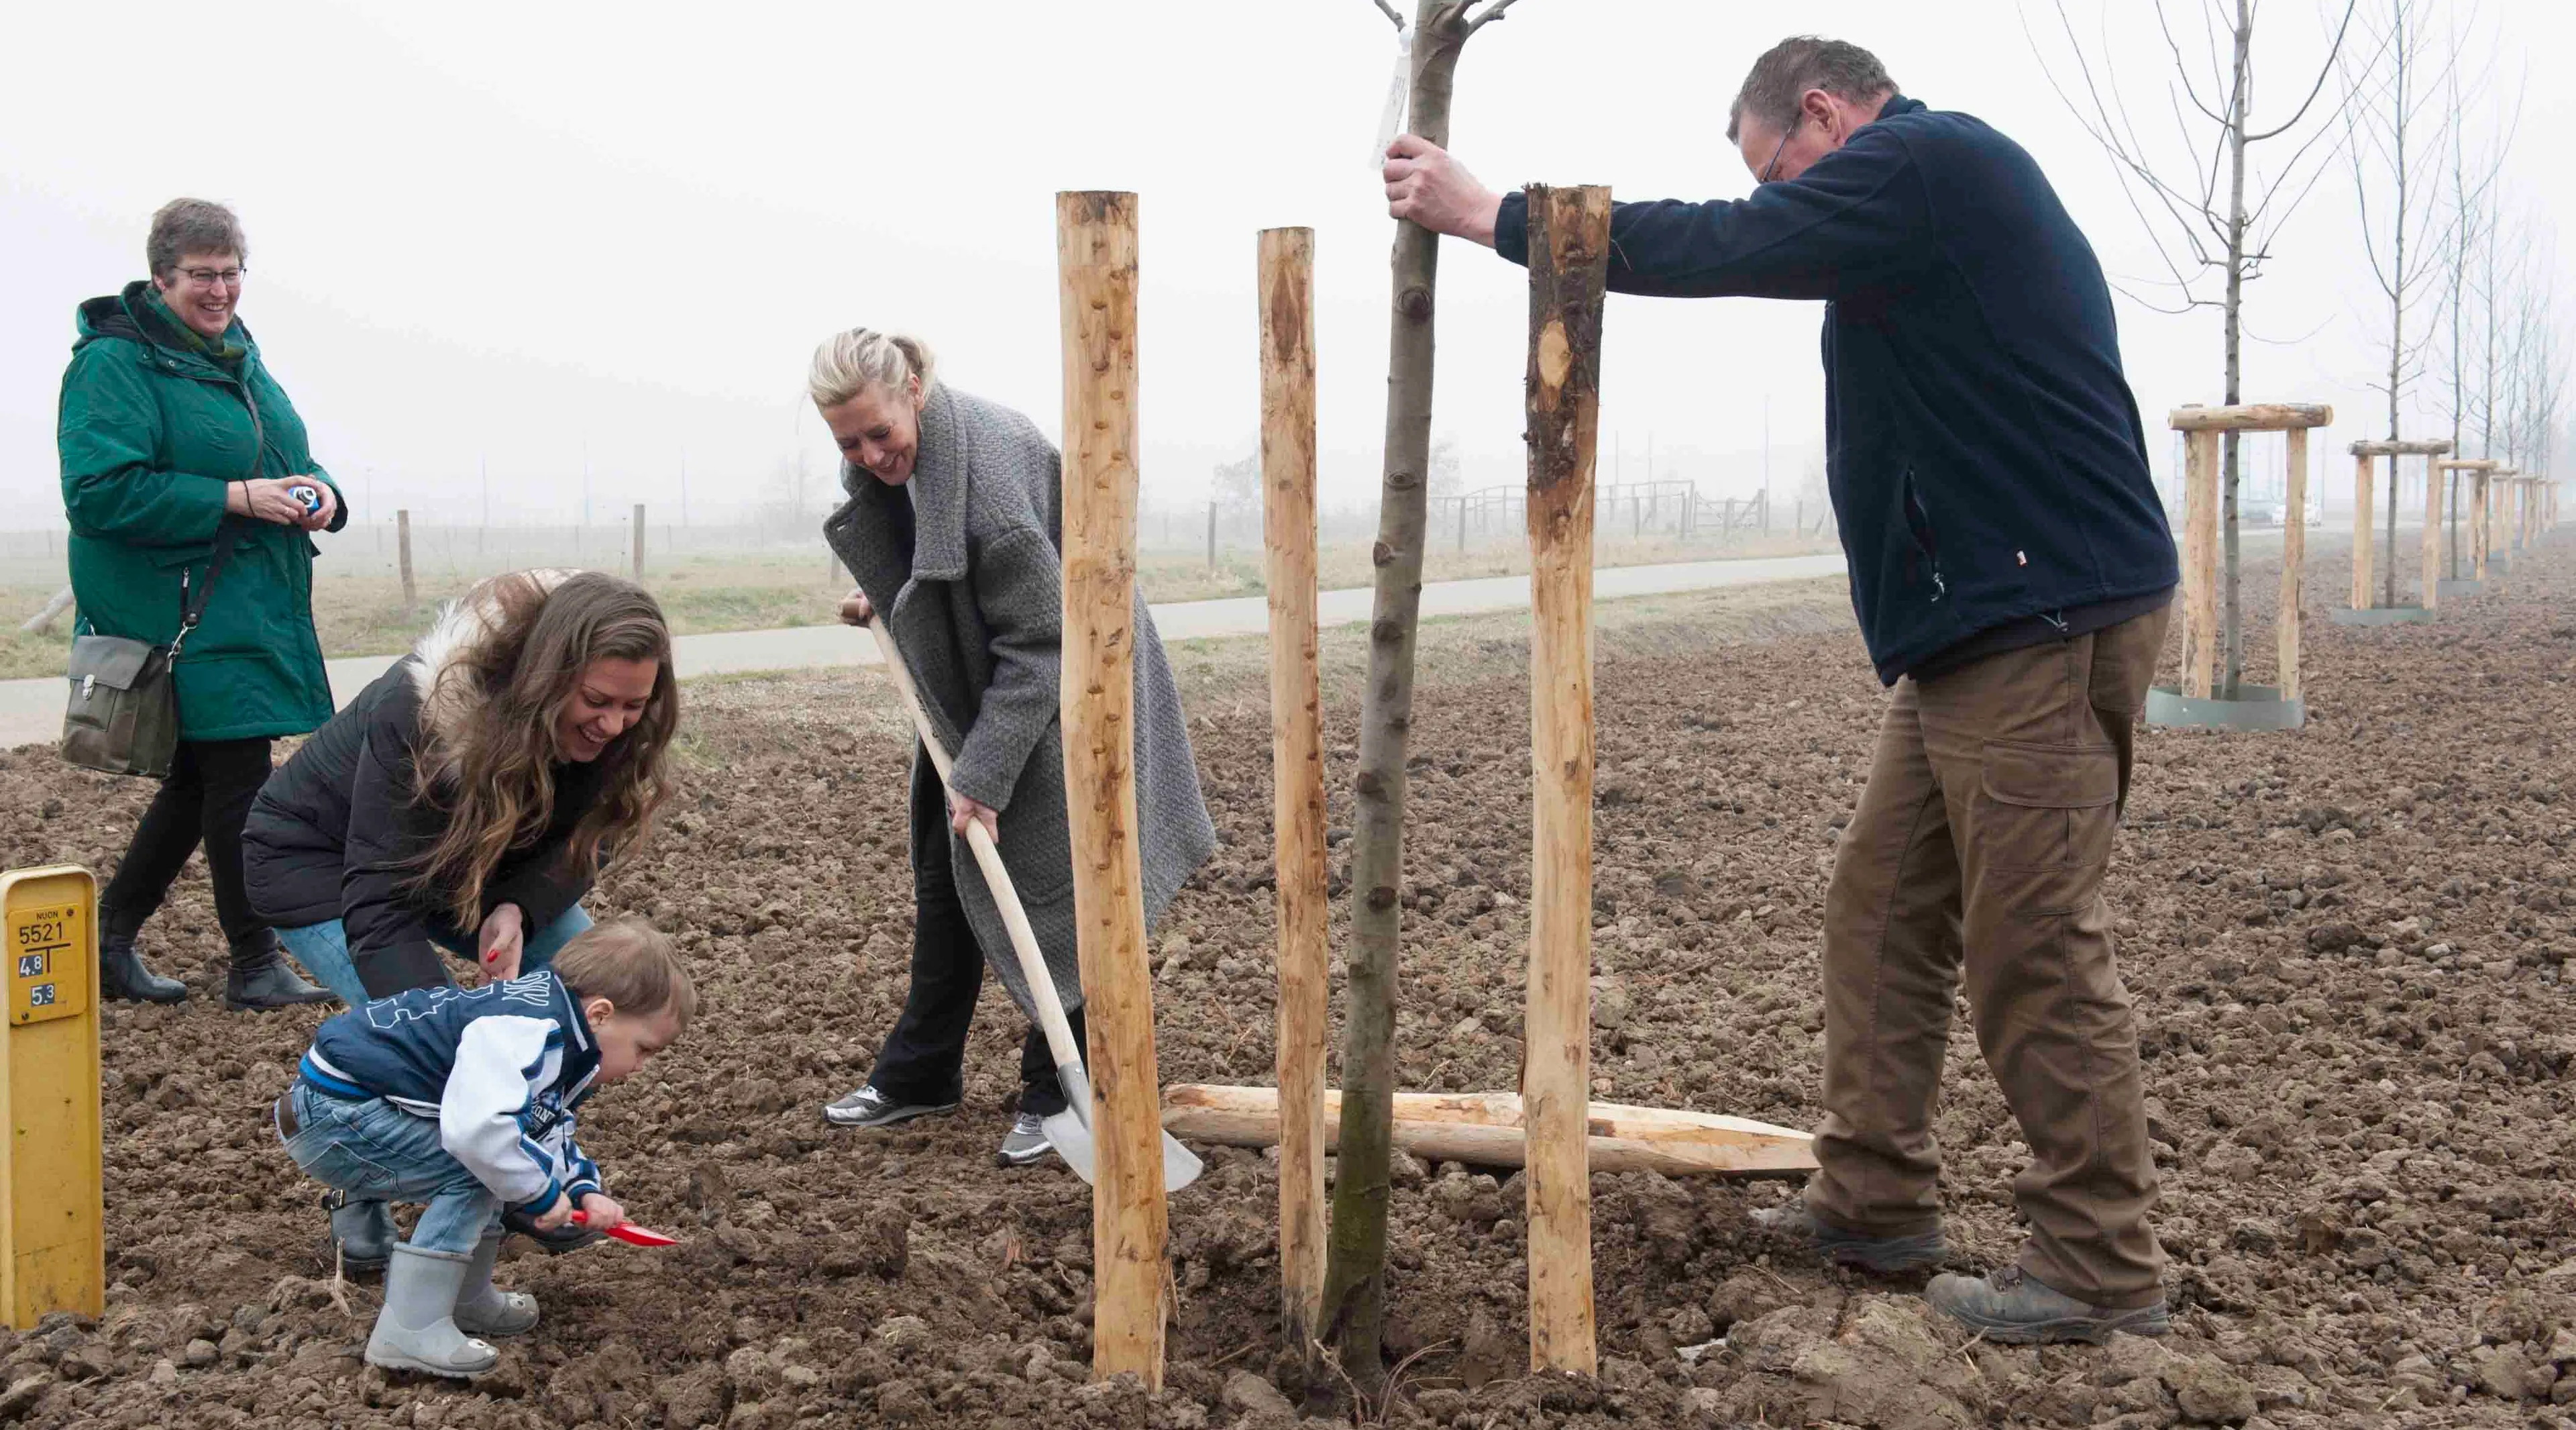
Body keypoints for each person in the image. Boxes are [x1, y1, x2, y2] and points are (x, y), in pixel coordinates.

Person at [1383, 38, 2180, 1343]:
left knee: (2032, 935)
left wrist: (1504, 220)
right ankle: (1873, 1199)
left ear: (1824, 110)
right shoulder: (1913, 202)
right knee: (1880, 905)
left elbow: (1732, 245)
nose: (1785, 204)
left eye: (1783, 170)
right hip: (1973, 629)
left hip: (2044, 616)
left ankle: (2102, 1266)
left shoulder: (1926, 158)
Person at [808, 329, 1216, 1166]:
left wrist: (985, 776)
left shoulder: (991, 481)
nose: (869, 454)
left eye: (880, 433)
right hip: (977, 684)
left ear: (914, 388)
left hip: (1072, 683)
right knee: (946, 868)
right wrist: (885, 591)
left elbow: (1042, 642)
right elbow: (927, 554)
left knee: (1056, 882)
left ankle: (1055, 1088)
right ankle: (922, 1071)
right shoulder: (896, 457)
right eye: (847, 441)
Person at [244, 568, 678, 1268]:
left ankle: (526, 1171)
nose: (614, 724)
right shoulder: (422, 714)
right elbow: (376, 899)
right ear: (543, 679)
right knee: (424, 1047)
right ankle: (366, 1193)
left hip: (461, 866)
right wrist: (462, 1030)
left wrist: (520, 906)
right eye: (597, 702)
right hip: (319, 865)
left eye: (633, 706)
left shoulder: (623, 716)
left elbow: (588, 836)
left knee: (576, 995)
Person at [57, 197, 345, 1011]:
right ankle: (254, 960)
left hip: (245, 602)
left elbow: (284, 452)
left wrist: (322, 493)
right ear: (161, 277)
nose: (219, 292)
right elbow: (97, 493)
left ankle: (111, 939)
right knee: (238, 779)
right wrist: (233, 497)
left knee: (199, 778)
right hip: (177, 607)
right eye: (200, 277)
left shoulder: (234, 354)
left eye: (230, 274)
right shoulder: (114, 365)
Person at [276, 918, 693, 1378]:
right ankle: (409, 1327)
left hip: (349, 1106)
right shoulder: (528, 1030)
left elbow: (540, 1126)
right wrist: (541, 1194)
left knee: (504, 1160)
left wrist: (580, 1190)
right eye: (644, 1049)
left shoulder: (559, 1032)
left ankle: (463, 1299)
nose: (640, 1067)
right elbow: (480, 1132)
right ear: (600, 1014)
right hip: (334, 1112)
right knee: (481, 1165)